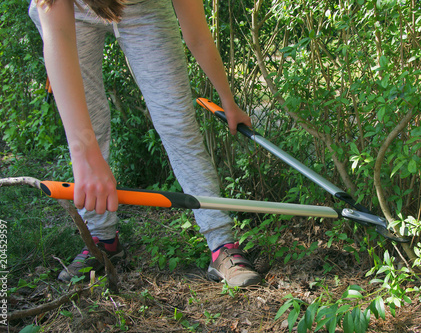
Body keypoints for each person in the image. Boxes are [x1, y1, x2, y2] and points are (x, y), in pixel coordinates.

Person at [29, 0, 262, 287]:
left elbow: (197, 33)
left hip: (144, 7)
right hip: (70, 12)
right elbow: (59, 38)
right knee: (87, 122)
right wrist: (84, 155)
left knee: (178, 123)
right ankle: (103, 241)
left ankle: (222, 243)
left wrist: (228, 100)